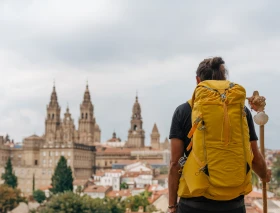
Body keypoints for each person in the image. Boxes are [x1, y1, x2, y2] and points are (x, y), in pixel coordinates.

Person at [168, 57, 271, 213]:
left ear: (198, 81)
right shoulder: (241, 110)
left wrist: (172, 206)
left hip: (194, 204)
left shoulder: (183, 111)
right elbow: (254, 157)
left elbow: (175, 164)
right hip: (233, 204)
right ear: (224, 79)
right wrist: (264, 175)